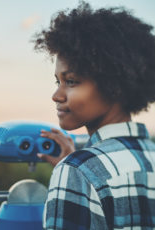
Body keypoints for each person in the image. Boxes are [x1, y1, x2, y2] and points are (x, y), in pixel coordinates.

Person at [33, 1, 155, 229]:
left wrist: (74, 169)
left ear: (114, 84)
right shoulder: (150, 155)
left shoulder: (77, 171)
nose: (56, 95)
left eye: (71, 82)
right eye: (57, 81)